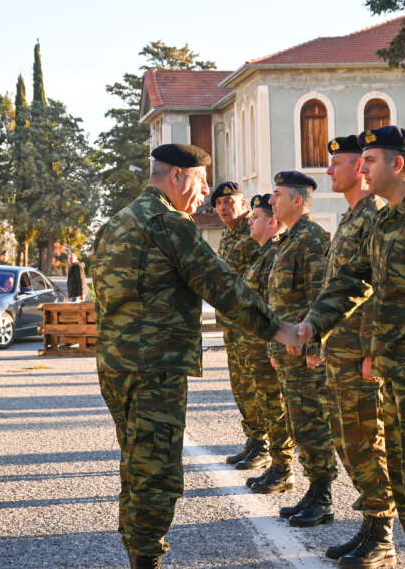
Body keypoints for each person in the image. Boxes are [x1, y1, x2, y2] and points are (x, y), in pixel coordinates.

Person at [92, 144, 299, 569]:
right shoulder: (168, 222)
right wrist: (279, 329)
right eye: (201, 180)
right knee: (156, 473)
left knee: (135, 461)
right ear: (177, 177)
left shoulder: (116, 222)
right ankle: (147, 558)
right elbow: (221, 285)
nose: (204, 191)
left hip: (116, 365)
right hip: (156, 368)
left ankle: (137, 548)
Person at [294, 126, 405, 568]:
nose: (362, 168)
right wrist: (311, 326)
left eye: (369, 160)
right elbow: (352, 281)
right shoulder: (388, 219)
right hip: (396, 372)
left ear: (397, 163)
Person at [320, 136, 397, 567]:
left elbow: (377, 289)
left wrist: (372, 351)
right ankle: (369, 522)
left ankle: (382, 533)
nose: (329, 171)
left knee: (368, 440)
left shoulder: (376, 217)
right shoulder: (350, 218)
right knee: (348, 441)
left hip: (361, 355)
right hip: (339, 351)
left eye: (338, 163)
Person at [266, 170, 338, 528]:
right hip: (287, 351)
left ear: (298, 200)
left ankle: (323, 497)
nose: (271, 201)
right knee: (299, 424)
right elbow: (278, 301)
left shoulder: (311, 239)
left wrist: (314, 347)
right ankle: (313, 488)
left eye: (277, 195)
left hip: (303, 352)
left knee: (312, 424)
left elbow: (319, 296)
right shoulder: (287, 239)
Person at [240, 194, 296, 494]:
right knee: (268, 407)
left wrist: (273, 346)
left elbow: (275, 306)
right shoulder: (260, 254)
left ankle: (283, 467)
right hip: (255, 346)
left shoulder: (275, 254)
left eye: (257, 217)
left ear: (272, 222)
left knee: (276, 409)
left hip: (267, 346)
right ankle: (277, 463)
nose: (250, 221)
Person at [211, 180, 268, 470]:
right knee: (240, 386)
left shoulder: (251, 231)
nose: (223, 207)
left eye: (229, 202)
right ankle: (254, 439)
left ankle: (266, 445)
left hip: (249, 325)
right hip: (232, 324)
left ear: (243, 204)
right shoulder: (228, 234)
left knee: (257, 385)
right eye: (219, 204)